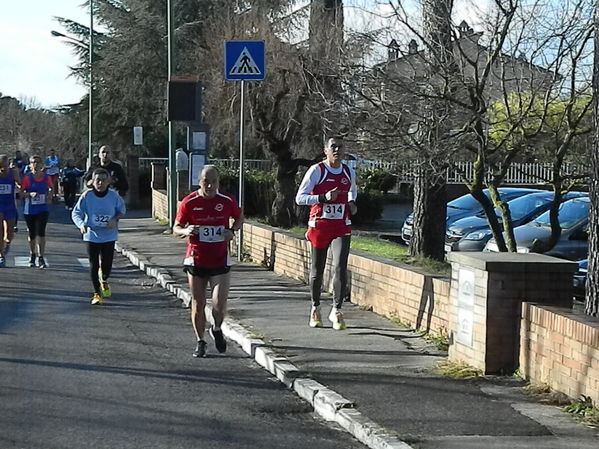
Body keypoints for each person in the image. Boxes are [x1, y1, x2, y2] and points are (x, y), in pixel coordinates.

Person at [173, 165, 244, 358]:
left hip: (220, 258)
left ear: (218, 183)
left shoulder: (227, 201)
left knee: (219, 304)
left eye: (214, 182)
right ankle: (200, 341)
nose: (210, 186)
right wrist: (186, 231)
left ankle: (217, 328)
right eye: (206, 181)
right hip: (196, 259)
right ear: (199, 182)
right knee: (198, 302)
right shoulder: (189, 202)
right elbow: (176, 227)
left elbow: (239, 218)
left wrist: (232, 231)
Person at [295, 137, 358, 330]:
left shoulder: (349, 171)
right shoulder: (317, 171)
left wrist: (352, 204)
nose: (337, 150)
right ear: (326, 151)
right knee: (317, 271)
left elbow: (352, 193)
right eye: (333, 147)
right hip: (320, 225)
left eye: (340, 147)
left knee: (340, 266)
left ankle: (337, 310)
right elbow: (300, 198)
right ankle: (315, 307)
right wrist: (323, 198)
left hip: (341, 225)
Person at [72, 168, 126, 305]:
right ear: (93, 182)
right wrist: (81, 225)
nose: (100, 183)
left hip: (109, 235)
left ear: (108, 182)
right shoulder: (87, 196)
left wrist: (114, 220)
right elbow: (76, 213)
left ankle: (104, 279)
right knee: (93, 264)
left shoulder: (114, 196)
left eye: (103, 180)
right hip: (92, 235)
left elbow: (122, 211)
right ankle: (97, 293)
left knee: (107, 264)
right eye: (98, 180)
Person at [20, 155, 54, 268]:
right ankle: (32, 254)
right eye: (33, 162)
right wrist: (29, 194)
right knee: (32, 234)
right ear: (30, 165)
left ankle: (41, 257)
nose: (36, 164)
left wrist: (50, 195)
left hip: (43, 209)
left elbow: (51, 187)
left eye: (38, 162)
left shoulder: (46, 177)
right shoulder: (27, 178)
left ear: (42, 165)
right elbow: (21, 193)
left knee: (41, 233)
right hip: (30, 209)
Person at [0, 154, 21, 267]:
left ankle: (7, 244)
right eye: (2, 164)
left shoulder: (13, 173)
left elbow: (19, 183)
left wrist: (19, 184)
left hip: (10, 206)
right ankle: (1, 256)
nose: (4, 166)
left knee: (9, 233)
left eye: (6, 164)